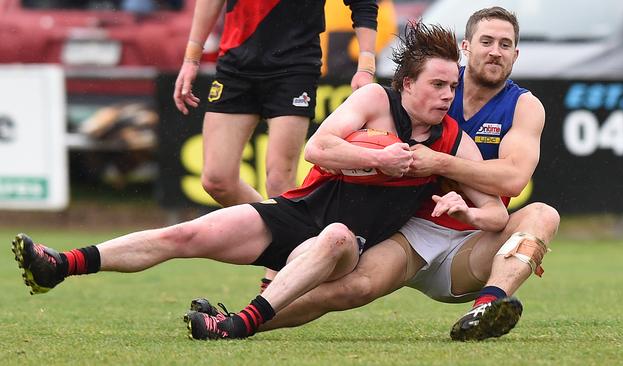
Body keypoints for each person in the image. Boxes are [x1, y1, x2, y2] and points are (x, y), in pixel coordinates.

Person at [12, 24, 508, 340]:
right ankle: (62, 265)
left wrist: (465, 210)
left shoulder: (450, 140)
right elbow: (318, 149)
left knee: (335, 235)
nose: (448, 95)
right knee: (185, 234)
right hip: (296, 214)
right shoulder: (374, 102)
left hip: (347, 245)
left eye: (451, 86)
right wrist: (379, 158)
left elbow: (498, 212)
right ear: (407, 85)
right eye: (438, 85)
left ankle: (240, 324)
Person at [189, 7, 560, 342]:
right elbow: (345, 137)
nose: (495, 51)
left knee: (543, 215)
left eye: (505, 44)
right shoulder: (436, 81)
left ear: (516, 54)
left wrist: (440, 163)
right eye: (487, 41)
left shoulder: (524, 106)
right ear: (466, 46)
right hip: (410, 232)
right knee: (349, 289)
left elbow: (513, 179)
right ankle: (236, 322)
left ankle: (487, 306)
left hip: (477, 241)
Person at [172, 0, 379, 291]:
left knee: (279, 178)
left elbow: (363, 4)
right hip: (235, 64)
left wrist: (366, 65)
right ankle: (298, 241)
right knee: (216, 180)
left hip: (294, 67)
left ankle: (275, 278)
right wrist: (191, 59)